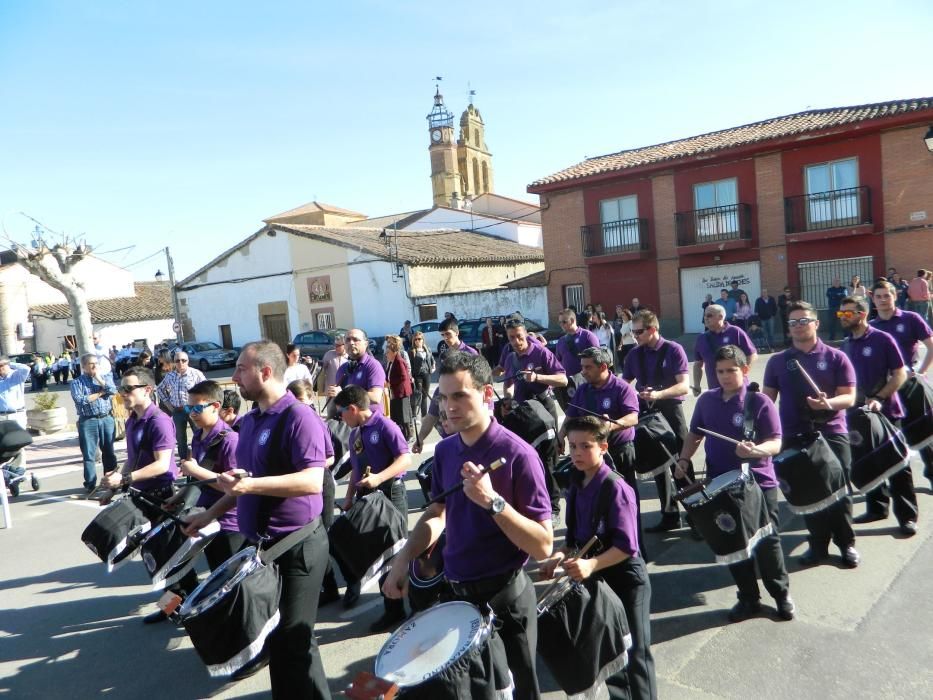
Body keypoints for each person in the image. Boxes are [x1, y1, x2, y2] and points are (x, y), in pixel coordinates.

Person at [382, 352, 553, 700]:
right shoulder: (445, 452)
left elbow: (543, 546)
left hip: (507, 600)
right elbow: (436, 513)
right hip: (457, 601)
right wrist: (403, 560)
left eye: (460, 395)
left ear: (487, 394)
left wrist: (493, 503)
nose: (448, 407)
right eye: (443, 397)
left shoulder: (519, 455)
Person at [183, 340, 332, 699]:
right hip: (262, 550)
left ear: (265, 372)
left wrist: (251, 485)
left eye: (241, 369)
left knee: (295, 640)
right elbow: (243, 483)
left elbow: (312, 481)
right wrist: (210, 513)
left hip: (299, 547)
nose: (234, 378)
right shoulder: (249, 423)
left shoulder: (299, 417)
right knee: (276, 639)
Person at [541, 416, 656, 700]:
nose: (577, 452)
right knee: (611, 652)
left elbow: (627, 547)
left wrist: (590, 564)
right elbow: (574, 539)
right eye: (572, 446)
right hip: (598, 578)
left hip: (627, 580)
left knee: (635, 653)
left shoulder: (617, 488)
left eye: (585, 446)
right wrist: (558, 556)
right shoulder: (577, 483)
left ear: (604, 447)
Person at [679, 346, 794, 622]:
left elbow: (776, 442)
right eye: (720, 371)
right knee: (733, 544)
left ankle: (780, 595)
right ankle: (749, 598)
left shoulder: (759, 402)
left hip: (759, 483)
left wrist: (755, 451)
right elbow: (695, 434)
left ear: (744, 370)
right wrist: (683, 459)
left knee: (767, 543)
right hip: (720, 485)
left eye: (731, 370)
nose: (725, 376)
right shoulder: (706, 401)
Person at [762, 301, 860, 568]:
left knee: (839, 492)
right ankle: (818, 546)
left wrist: (828, 403)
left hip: (831, 432)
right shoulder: (778, 362)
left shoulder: (836, 357)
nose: (797, 326)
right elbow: (767, 402)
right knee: (809, 494)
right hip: (794, 435)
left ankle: (847, 544)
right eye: (793, 322)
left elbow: (849, 397)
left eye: (803, 320)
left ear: (816, 323)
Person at [100, 366, 182, 622]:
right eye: (121, 388)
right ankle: (171, 607)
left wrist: (124, 479)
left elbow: (161, 464)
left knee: (172, 558)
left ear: (147, 390)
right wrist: (113, 486)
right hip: (142, 495)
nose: (122, 393)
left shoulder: (159, 420)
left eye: (128, 388)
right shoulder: (132, 419)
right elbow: (133, 460)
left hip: (162, 497)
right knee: (152, 558)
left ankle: (185, 608)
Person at [334, 384, 412, 630]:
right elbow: (357, 469)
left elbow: (405, 458)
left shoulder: (385, 425)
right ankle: (394, 608)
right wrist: (348, 497)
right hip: (368, 496)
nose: (341, 418)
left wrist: (379, 478)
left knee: (395, 555)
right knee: (376, 554)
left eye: (341, 413)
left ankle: (403, 606)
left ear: (354, 409)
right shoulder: (356, 433)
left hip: (391, 493)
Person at [837, 295, 917, 535]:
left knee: (897, 464)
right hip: (859, 415)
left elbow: (900, 373)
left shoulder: (883, 339)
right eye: (840, 314)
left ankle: (907, 517)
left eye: (847, 313)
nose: (843, 318)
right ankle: (877, 508)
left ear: (862, 314)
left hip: (887, 411)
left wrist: (880, 398)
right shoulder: (846, 344)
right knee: (868, 461)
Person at [622, 310, 693, 532]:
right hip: (647, 413)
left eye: (639, 332)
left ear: (653, 329)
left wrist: (659, 394)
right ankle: (670, 516)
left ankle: (697, 518)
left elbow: (684, 386)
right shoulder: (634, 354)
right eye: (633, 332)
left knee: (682, 464)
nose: (635, 336)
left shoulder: (673, 350)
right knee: (658, 465)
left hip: (671, 409)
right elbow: (624, 383)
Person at [871, 279, 933, 489]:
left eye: (886, 295)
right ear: (872, 299)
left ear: (895, 296)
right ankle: (895, 486)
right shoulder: (871, 327)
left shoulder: (911, 318)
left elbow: (931, 347)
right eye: (878, 296)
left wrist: (921, 372)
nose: (883, 300)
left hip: (910, 386)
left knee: (925, 436)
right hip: (887, 390)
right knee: (892, 438)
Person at [178, 380, 246, 570]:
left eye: (198, 408)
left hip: (230, 523)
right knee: (216, 573)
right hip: (206, 516)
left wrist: (195, 470)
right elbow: (199, 479)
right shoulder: (198, 436)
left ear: (216, 406)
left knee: (232, 580)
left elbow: (234, 489)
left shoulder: (230, 440)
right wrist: (180, 496)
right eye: (188, 408)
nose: (192, 413)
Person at [561, 346, 639, 498]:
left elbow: (632, 417)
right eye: (582, 366)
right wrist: (561, 436)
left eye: (588, 367)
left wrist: (610, 425)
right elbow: (570, 416)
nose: (583, 371)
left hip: (619, 449)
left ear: (603, 366)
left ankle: (632, 522)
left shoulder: (621, 388)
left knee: (625, 494)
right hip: (591, 452)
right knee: (597, 496)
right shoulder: (582, 390)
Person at [502, 317, 567, 428]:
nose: (516, 341)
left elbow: (563, 380)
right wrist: (507, 400)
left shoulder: (541, 353)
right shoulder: (510, 358)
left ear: (526, 334)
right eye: (511, 338)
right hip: (523, 413)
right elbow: (508, 384)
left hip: (545, 410)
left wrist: (537, 377)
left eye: (519, 336)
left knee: (554, 445)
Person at [71, 353, 118, 494]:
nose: (94, 366)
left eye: (96, 363)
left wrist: (99, 379)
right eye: (91, 364)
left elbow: (113, 391)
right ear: (84, 366)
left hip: (106, 418)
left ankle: (111, 480)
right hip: (88, 420)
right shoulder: (77, 382)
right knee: (89, 454)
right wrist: (100, 393)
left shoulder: (105, 378)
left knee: (109, 451)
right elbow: (81, 400)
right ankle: (90, 483)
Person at [692, 304, 757, 396]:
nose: (705, 318)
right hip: (716, 391)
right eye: (705, 315)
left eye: (709, 315)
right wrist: (697, 385)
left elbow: (752, 354)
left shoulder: (736, 332)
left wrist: (742, 372)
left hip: (738, 390)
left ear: (721, 316)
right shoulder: (701, 338)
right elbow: (698, 364)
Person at [156, 350, 206, 459]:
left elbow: (207, 390)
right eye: (177, 361)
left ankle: (201, 459)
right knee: (180, 438)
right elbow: (159, 389)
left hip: (193, 409)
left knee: (199, 434)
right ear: (174, 362)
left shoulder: (196, 373)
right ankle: (184, 462)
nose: (181, 363)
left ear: (188, 361)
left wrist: (199, 404)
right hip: (177, 411)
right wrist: (168, 404)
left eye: (184, 360)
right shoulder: (170, 376)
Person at [553, 308, 600, 409]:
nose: (561, 324)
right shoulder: (561, 341)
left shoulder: (588, 336)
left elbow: (598, 360)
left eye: (564, 322)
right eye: (560, 322)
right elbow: (558, 363)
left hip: (587, 383)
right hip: (569, 385)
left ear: (573, 320)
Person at [330, 328, 385, 410]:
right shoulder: (342, 368)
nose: (351, 343)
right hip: (347, 420)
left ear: (366, 344)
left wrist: (345, 393)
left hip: (368, 420)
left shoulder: (373, 365)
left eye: (356, 340)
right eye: (347, 340)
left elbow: (375, 397)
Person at [383, 335, 414, 440]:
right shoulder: (391, 362)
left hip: (402, 392)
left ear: (392, 352)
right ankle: (402, 434)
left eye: (387, 352)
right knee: (396, 414)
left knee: (403, 415)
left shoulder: (399, 360)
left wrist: (390, 383)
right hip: (395, 392)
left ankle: (407, 435)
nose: (386, 354)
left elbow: (403, 376)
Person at [408, 331, 434, 424]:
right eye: (415, 339)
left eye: (419, 339)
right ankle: (415, 416)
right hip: (417, 375)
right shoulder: (412, 351)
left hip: (426, 374)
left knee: (425, 396)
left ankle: (424, 416)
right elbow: (409, 365)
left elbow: (431, 360)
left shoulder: (427, 349)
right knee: (417, 395)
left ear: (423, 340)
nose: (417, 341)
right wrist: (410, 376)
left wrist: (433, 367)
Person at [0, 356, 31, 430]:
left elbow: (26, 368)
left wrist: (9, 363)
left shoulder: (18, 375)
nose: (0, 368)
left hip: (17, 415)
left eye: (2, 366)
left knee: (20, 439)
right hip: (1, 416)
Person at [319, 334, 348, 400]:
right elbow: (321, 369)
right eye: (335, 345)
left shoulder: (350, 357)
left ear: (345, 345)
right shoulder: (329, 354)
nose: (335, 347)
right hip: (331, 392)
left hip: (345, 392)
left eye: (338, 345)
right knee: (331, 410)